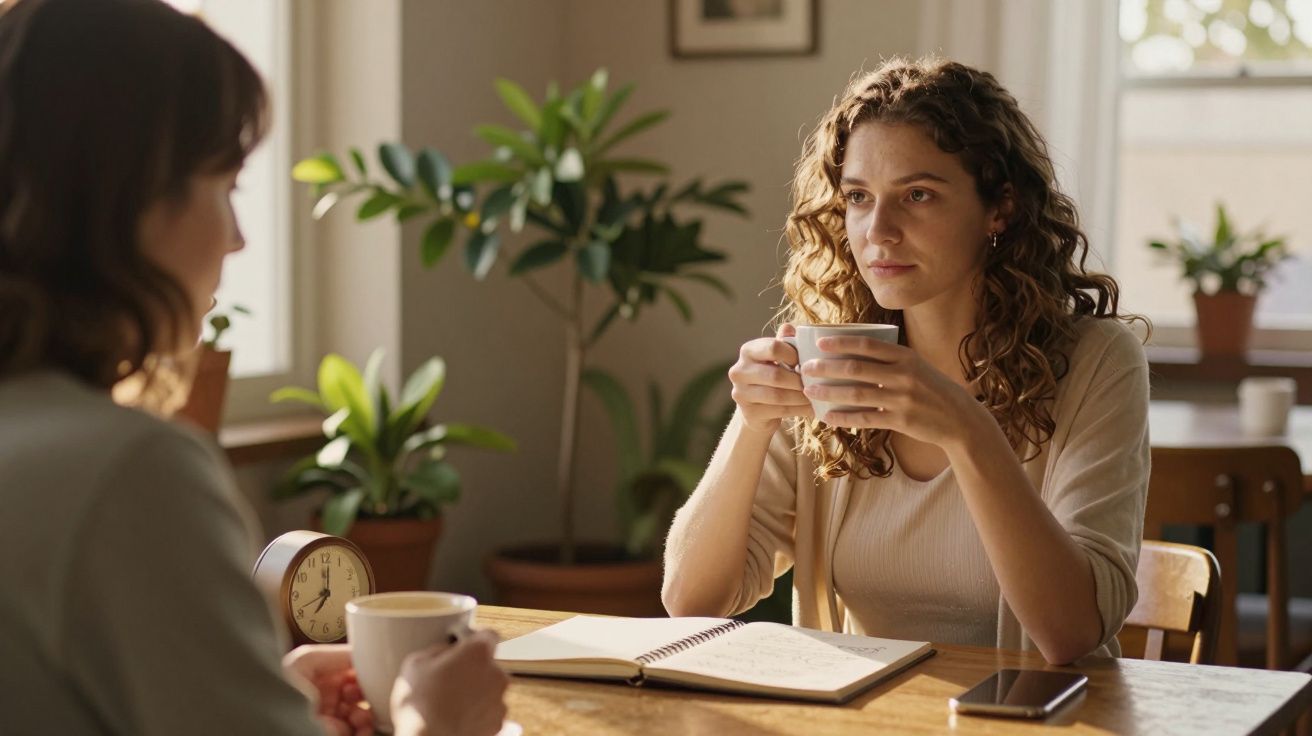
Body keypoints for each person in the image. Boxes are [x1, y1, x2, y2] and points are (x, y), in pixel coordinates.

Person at [0, 1, 508, 734]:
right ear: (129, 198)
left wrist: (259, 694)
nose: (238, 238)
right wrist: (437, 722)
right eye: (226, 184)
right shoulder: (130, 472)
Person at [663, 57, 1149, 665]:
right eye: (859, 198)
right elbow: (690, 599)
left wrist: (967, 430)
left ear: (1000, 207)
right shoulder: (830, 360)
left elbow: (1072, 632)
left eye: (917, 195)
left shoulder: (1097, 362)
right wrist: (753, 424)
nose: (878, 231)